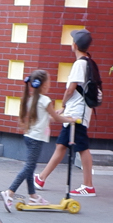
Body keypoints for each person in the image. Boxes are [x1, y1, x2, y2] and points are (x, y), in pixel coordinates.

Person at [38, 29, 102, 196]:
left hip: (77, 114)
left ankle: (88, 186)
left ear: (74, 45)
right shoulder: (89, 62)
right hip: (77, 112)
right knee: (61, 145)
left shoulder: (79, 64)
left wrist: (64, 104)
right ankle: (41, 178)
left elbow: (70, 89)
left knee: (83, 148)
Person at [4, 72, 58, 207]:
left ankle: (33, 196)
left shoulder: (31, 99)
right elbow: (57, 119)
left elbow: (47, 118)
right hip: (36, 138)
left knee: (30, 167)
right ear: (44, 85)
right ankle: (10, 192)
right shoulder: (45, 100)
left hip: (29, 137)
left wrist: (58, 114)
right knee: (29, 167)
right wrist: (71, 119)